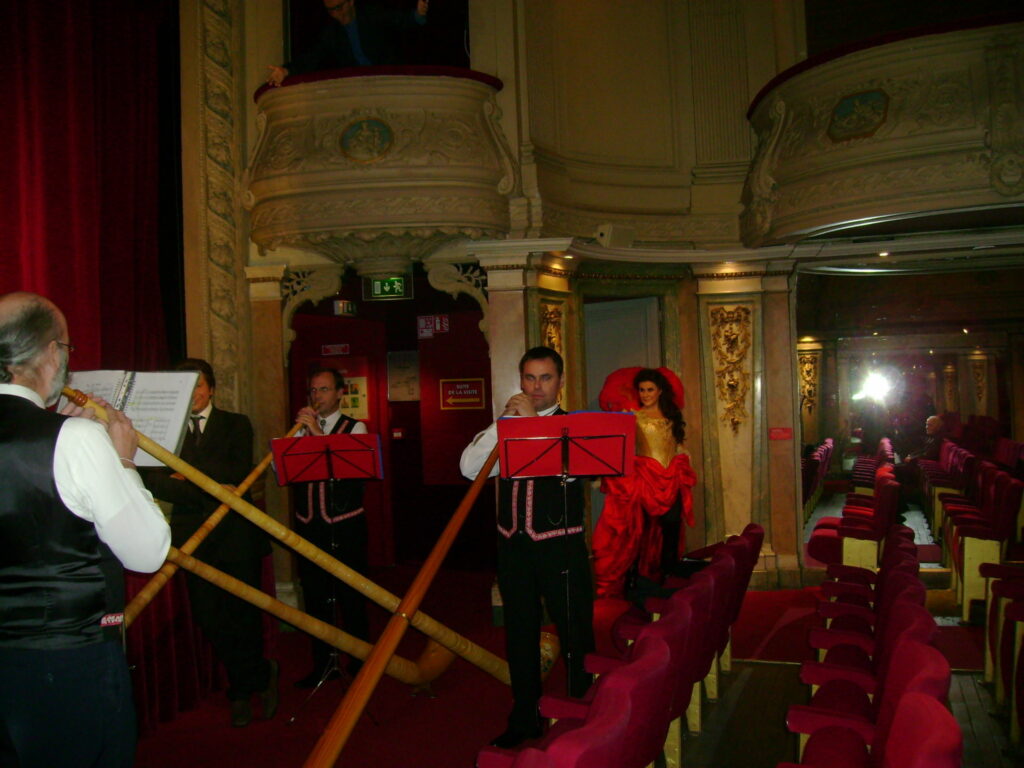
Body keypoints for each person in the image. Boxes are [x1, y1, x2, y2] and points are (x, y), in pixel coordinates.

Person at [0, 291, 171, 767]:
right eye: (68, 350)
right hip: (64, 662)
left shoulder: (67, 437)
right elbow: (147, 552)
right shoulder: (76, 439)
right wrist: (120, 459)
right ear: (51, 352)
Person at [460, 346, 594, 749]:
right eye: (530, 379)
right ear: (521, 381)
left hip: (561, 547)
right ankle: (525, 715)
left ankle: (583, 711)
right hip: (514, 547)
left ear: (561, 382)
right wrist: (503, 425)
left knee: (575, 632)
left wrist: (534, 423)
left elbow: (571, 473)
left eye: (546, 378)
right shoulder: (507, 425)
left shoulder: (576, 427)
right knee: (519, 635)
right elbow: (469, 469)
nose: (536, 387)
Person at [141, 359, 276, 728]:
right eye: (186, 387)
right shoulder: (165, 432)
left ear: (212, 388)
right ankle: (256, 675)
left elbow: (234, 474)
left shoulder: (236, 424)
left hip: (235, 536)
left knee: (244, 614)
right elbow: (152, 479)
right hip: (191, 539)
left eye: (199, 385)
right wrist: (206, 487)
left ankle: (245, 688)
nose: (195, 393)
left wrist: (182, 477)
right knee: (208, 617)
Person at [292, 366, 370, 688]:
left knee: (351, 596)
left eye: (323, 390)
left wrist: (316, 436)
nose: (317, 397)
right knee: (316, 597)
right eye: (313, 391)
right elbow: (282, 470)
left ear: (340, 393)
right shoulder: (297, 430)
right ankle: (323, 662)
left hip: (345, 525)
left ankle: (361, 663)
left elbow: (347, 471)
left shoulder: (357, 428)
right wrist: (296, 438)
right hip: (310, 525)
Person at [591, 367, 697, 599]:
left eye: (650, 389)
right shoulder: (633, 416)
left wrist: (683, 456)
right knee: (640, 532)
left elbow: (675, 443)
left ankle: (667, 573)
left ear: (659, 391)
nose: (646, 394)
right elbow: (621, 445)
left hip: (672, 479)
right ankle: (636, 580)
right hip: (645, 481)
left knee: (671, 527)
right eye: (642, 390)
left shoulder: (672, 416)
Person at [267, 0, 429, 86]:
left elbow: (399, 20)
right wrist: (286, 71)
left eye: (339, 7)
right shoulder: (331, 32)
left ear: (351, 1)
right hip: (359, 87)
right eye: (330, 10)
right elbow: (312, 57)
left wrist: (418, 14)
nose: (336, 14)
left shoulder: (371, 14)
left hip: (388, 82)